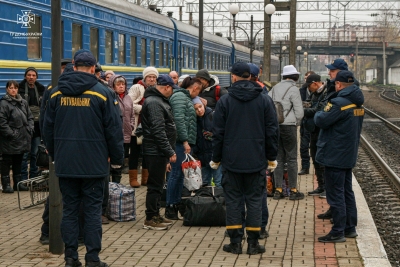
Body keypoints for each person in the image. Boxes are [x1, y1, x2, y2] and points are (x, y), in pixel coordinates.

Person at [43, 49, 123, 267]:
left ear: (75, 66)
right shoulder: (102, 93)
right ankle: (92, 258)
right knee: (92, 212)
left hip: (66, 162)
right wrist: (117, 159)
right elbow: (113, 130)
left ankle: (70, 258)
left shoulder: (56, 93)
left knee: (69, 210)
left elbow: (47, 128)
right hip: (95, 164)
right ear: (93, 68)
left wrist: (54, 153)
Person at [211, 62, 279, 255]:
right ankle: (254, 244)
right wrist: (271, 157)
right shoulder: (264, 100)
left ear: (233, 77)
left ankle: (234, 243)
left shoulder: (224, 101)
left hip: (231, 161)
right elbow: (272, 131)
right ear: (250, 76)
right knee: (256, 200)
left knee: (233, 201)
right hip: (256, 160)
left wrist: (216, 158)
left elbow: (218, 133)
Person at [314, 70, 364, 243]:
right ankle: (350, 228)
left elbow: (321, 120)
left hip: (334, 153)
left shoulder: (338, 103)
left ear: (339, 85)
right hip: (348, 153)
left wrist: (319, 111)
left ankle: (338, 231)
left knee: (335, 194)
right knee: (347, 192)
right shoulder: (357, 103)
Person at [141, 74, 177, 230]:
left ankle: (155, 214)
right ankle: (151, 217)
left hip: (157, 150)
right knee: (155, 185)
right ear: (167, 87)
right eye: (172, 89)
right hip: (155, 151)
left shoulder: (156, 101)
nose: (172, 93)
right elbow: (158, 131)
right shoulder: (155, 103)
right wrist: (169, 151)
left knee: (158, 183)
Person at [165, 76, 203, 220]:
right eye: (198, 91)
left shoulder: (183, 98)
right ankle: (171, 206)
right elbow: (179, 120)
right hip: (179, 143)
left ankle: (176, 204)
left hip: (182, 142)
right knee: (175, 174)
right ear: (195, 88)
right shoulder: (180, 98)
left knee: (180, 174)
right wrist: (185, 141)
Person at [268, 65, 304, 200]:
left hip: (276, 126)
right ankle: (293, 190)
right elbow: (299, 112)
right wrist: (296, 123)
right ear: (295, 77)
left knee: (278, 158)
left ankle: (278, 190)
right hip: (289, 127)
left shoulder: (274, 88)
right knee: (292, 158)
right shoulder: (294, 89)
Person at [0, 80, 34, 193]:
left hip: (22, 137)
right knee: (6, 161)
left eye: (15, 88)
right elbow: (2, 122)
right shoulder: (4, 103)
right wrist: (11, 134)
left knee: (18, 161)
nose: (13, 90)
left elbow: (30, 117)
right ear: (7, 89)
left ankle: (17, 184)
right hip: (9, 139)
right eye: (11, 88)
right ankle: (6, 185)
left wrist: (30, 129)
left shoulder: (23, 102)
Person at [128, 67, 159, 187]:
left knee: (147, 152)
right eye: (149, 77)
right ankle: (133, 179)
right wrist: (145, 110)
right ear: (144, 77)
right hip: (137, 125)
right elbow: (129, 104)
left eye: (154, 77)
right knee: (135, 152)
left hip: (150, 126)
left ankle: (145, 178)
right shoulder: (137, 87)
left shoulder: (157, 89)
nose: (151, 79)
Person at [19, 66, 45, 183]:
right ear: (25, 76)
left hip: (37, 127)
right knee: (24, 155)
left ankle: (34, 179)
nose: (31, 77)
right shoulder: (19, 88)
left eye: (33, 75)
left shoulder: (41, 89)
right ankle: (24, 179)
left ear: (36, 77)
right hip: (23, 126)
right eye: (29, 75)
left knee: (35, 153)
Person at [303, 74, 327, 197]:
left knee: (321, 159)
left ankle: (325, 187)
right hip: (313, 130)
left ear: (315, 83)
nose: (308, 89)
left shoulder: (326, 93)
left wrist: (303, 111)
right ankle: (321, 185)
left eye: (309, 86)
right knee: (315, 158)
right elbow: (309, 104)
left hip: (321, 131)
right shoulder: (314, 94)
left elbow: (319, 110)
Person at [108, 75, 135, 183]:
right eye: (118, 84)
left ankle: (117, 185)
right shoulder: (110, 97)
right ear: (112, 86)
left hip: (126, 134)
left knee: (120, 161)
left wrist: (131, 125)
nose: (121, 87)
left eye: (123, 84)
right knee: (112, 161)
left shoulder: (128, 97)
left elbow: (132, 114)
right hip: (114, 135)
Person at [191, 97, 222, 188]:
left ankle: (220, 201)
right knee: (204, 182)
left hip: (215, 155)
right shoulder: (194, 121)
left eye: (200, 107)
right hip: (202, 156)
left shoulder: (213, 116)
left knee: (218, 181)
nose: (199, 110)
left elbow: (220, 134)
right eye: (196, 109)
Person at [298, 71, 315, 176]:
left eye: (308, 78)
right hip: (304, 122)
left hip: (314, 123)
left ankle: (318, 169)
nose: (306, 81)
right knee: (303, 147)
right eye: (305, 78)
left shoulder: (319, 92)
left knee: (315, 148)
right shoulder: (302, 90)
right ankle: (305, 167)